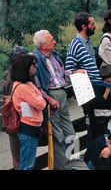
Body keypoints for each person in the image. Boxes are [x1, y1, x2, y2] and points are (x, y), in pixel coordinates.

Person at [33, 30, 77, 170]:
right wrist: (49, 99)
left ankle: (68, 162)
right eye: (51, 40)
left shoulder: (54, 55)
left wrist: (75, 73)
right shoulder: (36, 60)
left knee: (70, 133)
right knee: (57, 136)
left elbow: (61, 74)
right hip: (50, 96)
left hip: (61, 94)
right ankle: (63, 167)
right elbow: (36, 86)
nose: (55, 41)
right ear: (43, 45)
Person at [66, 12, 111, 142]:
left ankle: (106, 148)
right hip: (87, 90)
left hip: (97, 87)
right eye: (92, 24)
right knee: (94, 123)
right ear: (83, 26)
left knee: (104, 121)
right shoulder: (75, 44)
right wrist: (76, 72)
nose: (95, 26)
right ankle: (96, 152)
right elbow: (67, 70)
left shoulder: (88, 42)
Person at [11, 54, 46, 170]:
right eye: (33, 65)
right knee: (27, 164)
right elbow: (40, 104)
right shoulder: (22, 87)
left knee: (29, 161)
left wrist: (38, 98)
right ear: (25, 67)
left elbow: (39, 97)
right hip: (28, 127)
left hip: (32, 127)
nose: (35, 67)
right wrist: (39, 98)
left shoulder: (28, 84)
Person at [4, 46, 29, 170]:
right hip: (16, 123)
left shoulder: (16, 76)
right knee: (19, 157)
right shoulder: (13, 78)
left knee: (21, 155)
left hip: (18, 123)